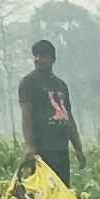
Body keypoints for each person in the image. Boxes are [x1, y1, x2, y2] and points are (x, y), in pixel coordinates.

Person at [16, 38, 82, 184]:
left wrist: (78, 147)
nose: (38, 59)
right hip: (41, 149)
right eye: (36, 55)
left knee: (62, 190)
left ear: (53, 59)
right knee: (43, 191)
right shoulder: (29, 82)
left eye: (43, 56)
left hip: (61, 148)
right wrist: (30, 147)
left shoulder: (61, 85)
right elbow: (26, 116)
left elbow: (68, 117)